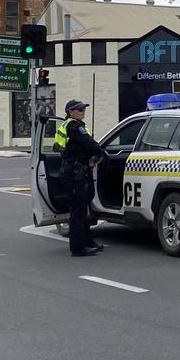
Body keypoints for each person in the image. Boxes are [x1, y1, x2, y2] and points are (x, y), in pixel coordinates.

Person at [55, 99, 108, 257]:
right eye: (79, 109)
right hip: (74, 172)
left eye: (83, 109)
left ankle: (87, 241)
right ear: (70, 112)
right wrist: (101, 153)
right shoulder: (74, 126)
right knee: (78, 210)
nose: (82, 111)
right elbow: (88, 143)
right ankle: (77, 248)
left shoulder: (69, 125)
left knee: (83, 208)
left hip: (75, 170)